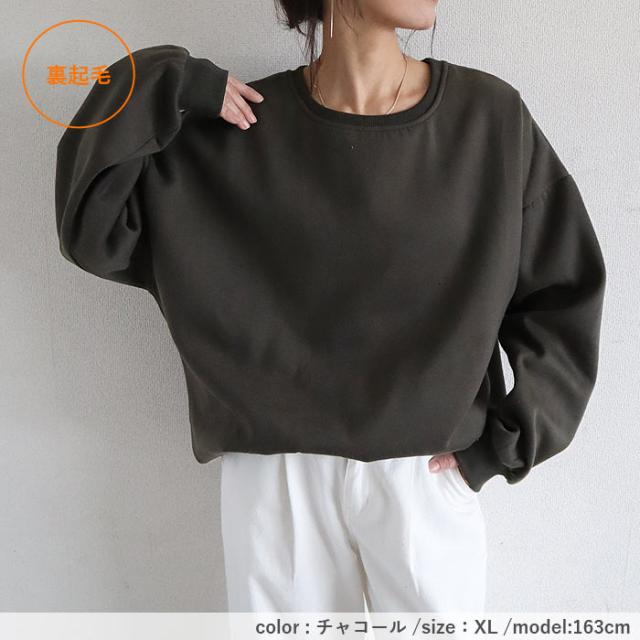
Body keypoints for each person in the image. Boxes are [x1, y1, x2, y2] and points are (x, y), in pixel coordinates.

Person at [54, 0, 606, 614]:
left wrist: (500, 447)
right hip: (275, 478)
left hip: (425, 475)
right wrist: (169, 83)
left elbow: (563, 291)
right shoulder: (235, 126)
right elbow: (91, 228)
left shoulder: (488, 119)